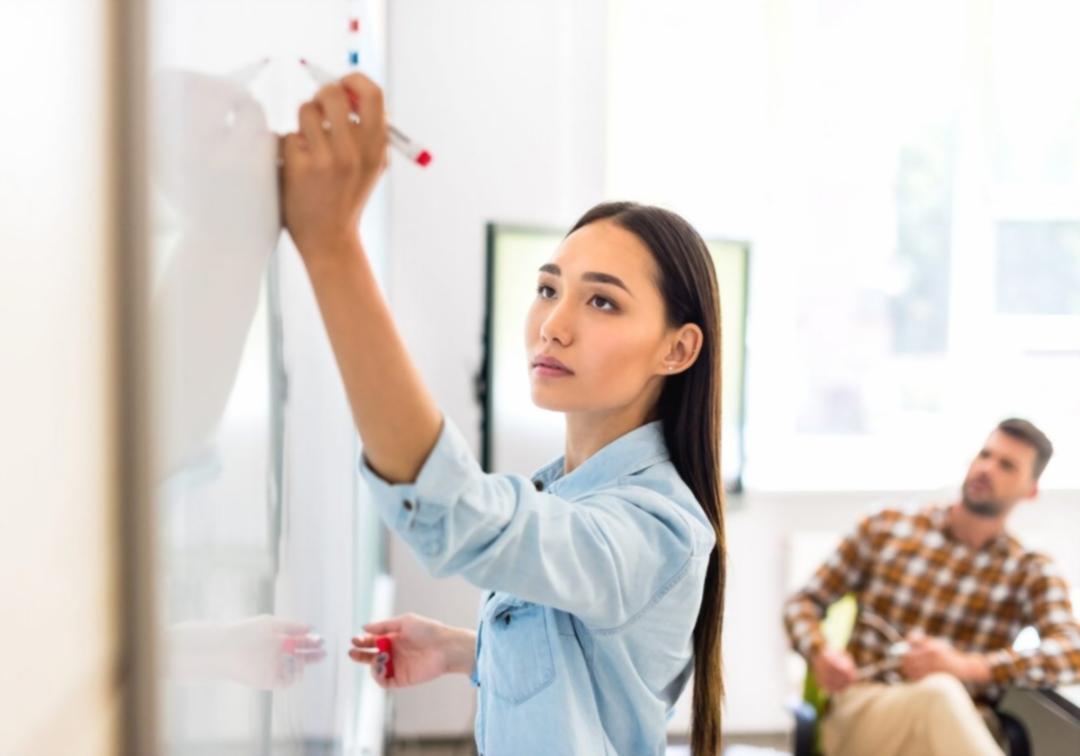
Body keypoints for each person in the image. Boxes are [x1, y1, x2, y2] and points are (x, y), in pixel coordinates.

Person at [280, 73, 726, 755]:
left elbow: (457, 513)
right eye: (548, 288)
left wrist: (331, 244)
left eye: (601, 301)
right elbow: (590, 671)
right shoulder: (570, 491)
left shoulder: (658, 528)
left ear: (678, 348)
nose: (552, 325)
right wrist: (466, 650)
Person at [784, 418, 1080, 756]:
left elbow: (1073, 652)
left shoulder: (1029, 569)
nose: (987, 469)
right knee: (938, 693)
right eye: (985, 455)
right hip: (867, 710)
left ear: (1031, 490)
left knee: (942, 696)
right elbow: (802, 603)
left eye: (1006, 465)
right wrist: (821, 653)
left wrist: (966, 666)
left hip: (958, 726)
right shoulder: (886, 526)